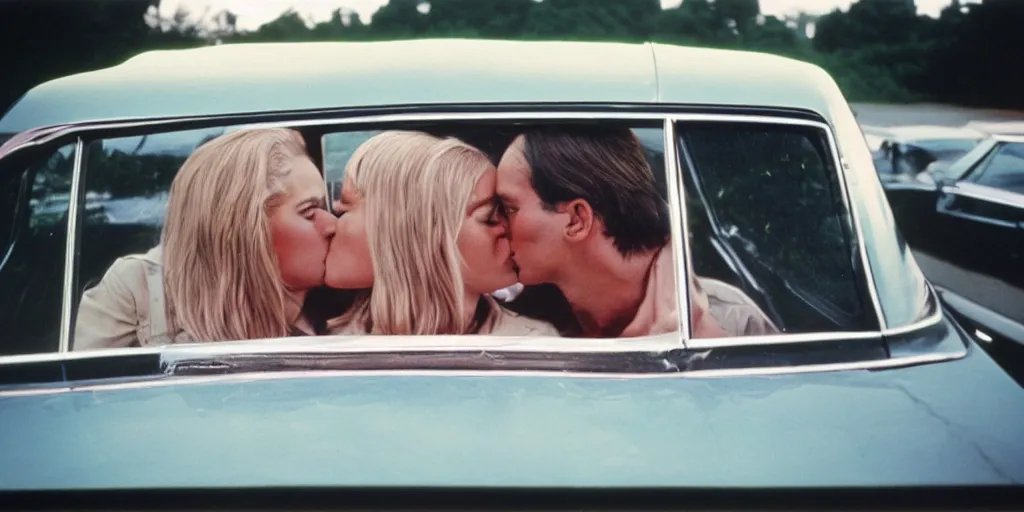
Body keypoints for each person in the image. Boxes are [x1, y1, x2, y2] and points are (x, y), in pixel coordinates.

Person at [495, 124, 775, 338]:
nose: (497, 223)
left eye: (509, 208)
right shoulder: (520, 326)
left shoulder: (733, 326)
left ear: (576, 220)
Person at [73, 128, 338, 349]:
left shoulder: (346, 299)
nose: (332, 224)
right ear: (245, 228)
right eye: (309, 211)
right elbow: (78, 397)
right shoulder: (139, 288)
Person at [323, 130, 558, 336]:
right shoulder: (321, 347)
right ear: (420, 235)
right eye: (490, 217)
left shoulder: (532, 347)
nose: (509, 228)